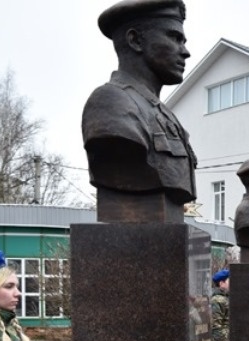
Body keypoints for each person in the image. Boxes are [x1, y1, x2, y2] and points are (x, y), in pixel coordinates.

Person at [82, 0, 197, 210]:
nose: (185, 51)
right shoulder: (111, 102)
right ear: (135, 40)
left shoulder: (164, 115)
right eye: (174, 37)